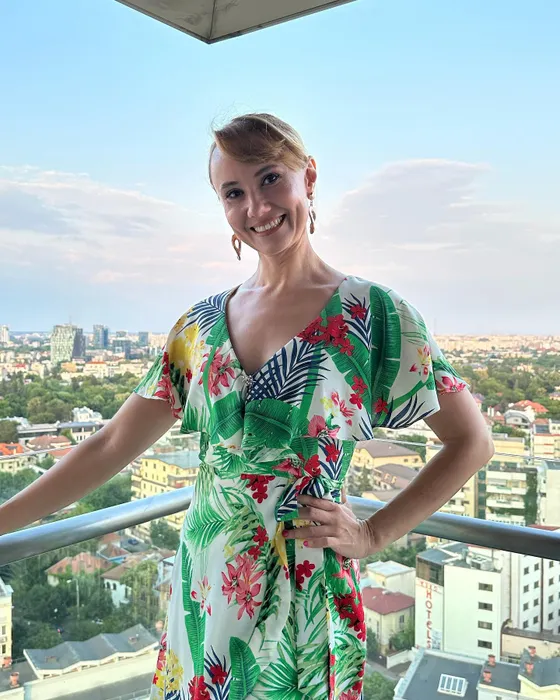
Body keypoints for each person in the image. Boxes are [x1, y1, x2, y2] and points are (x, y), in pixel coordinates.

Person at [0, 113, 493, 699]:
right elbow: (108, 445)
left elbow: (472, 442)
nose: (256, 207)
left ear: (309, 178)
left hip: (304, 592)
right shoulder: (200, 326)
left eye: (270, 179)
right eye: (233, 192)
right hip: (205, 585)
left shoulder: (373, 314)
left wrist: (373, 534)